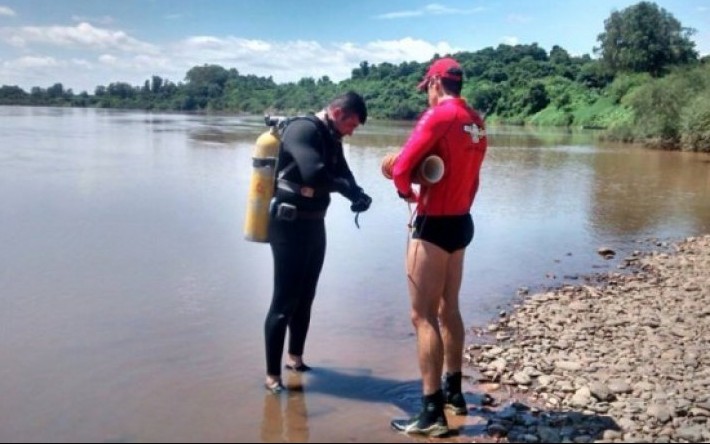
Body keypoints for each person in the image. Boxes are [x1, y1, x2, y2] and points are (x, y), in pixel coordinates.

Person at [389, 57, 488, 437]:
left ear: (435, 83)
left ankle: (431, 413)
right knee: (450, 308)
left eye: (427, 89)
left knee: (422, 316)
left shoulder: (438, 117)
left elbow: (401, 169)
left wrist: (407, 194)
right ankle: (455, 393)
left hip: (432, 226)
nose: (427, 97)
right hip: (462, 223)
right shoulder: (476, 123)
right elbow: (473, 180)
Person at [264, 91, 372, 393]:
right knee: (284, 302)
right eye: (352, 125)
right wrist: (343, 187)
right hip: (288, 225)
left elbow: (342, 174)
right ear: (338, 113)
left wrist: (358, 194)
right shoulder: (304, 129)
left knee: (306, 296)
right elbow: (314, 174)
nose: (352, 132)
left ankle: (295, 360)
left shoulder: (332, 138)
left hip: (314, 225)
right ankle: (272, 377)